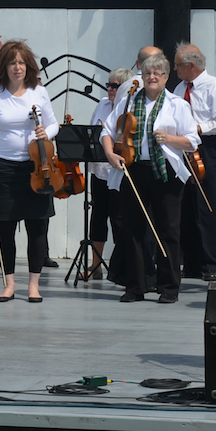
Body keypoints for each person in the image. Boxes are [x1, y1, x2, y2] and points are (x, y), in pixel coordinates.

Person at [102, 54, 200, 303]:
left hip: (165, 170)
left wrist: (170, 139)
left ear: (166, 77)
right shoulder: (128, 101)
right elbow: (107, 129)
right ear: (142, 77)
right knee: (133, 229)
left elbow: (192, 141)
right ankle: (136, 286)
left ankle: (168, 287)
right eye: (148, 73)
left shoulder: (178, 105)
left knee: (168, 229)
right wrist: (110, 154)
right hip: (134, 168)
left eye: (158, 73)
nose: (152, 76)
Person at [0, 40, 58, 303]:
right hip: (4, 167)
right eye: (12, 62)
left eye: (22, 62)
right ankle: (9, 283)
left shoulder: (39, 92)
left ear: (29, 66)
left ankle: (33, 285)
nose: (17, 68)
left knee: (38, 226)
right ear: (4, 66)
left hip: (37, 168)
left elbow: (54, 124)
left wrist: (47, 132)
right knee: (6, 227)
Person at [174, 42, 216, 282]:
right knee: (185, 204)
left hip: (207, 147)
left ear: (191, 66)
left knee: (206, 205)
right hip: (183, 146)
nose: (175, 70)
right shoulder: (179, 87)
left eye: (177, 65)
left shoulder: (214, 86)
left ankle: (209, 263)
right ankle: (191, 261)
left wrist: (196, 127)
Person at [85, 68, 132, 281]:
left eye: (115, 86)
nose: (110, 89)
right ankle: (96, 266)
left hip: (119, 172)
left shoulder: (128, 108)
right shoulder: (103, 105)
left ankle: (121, 267)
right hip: (99, 170)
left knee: (119, 219)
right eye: (109, 85)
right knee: (97, 217)